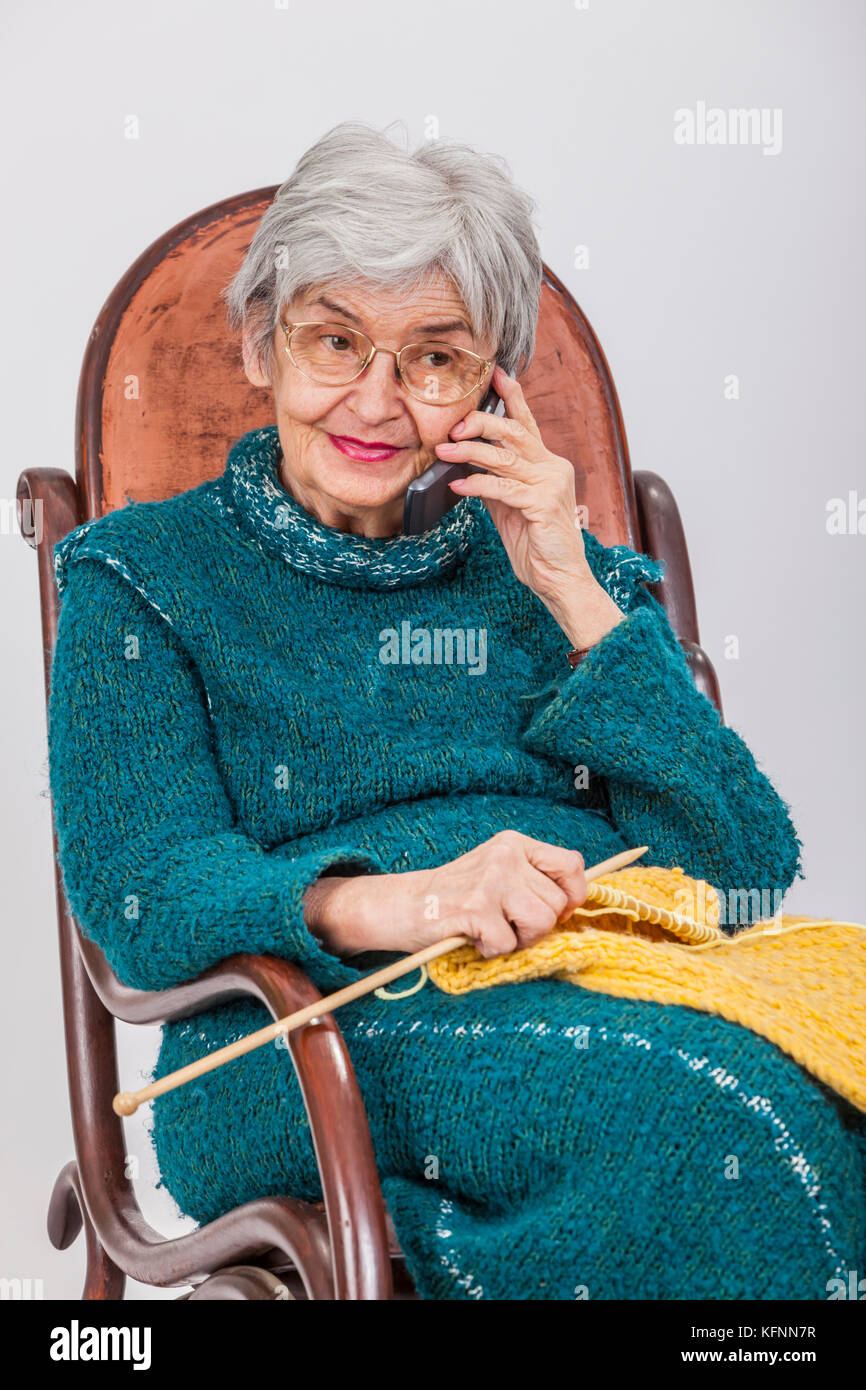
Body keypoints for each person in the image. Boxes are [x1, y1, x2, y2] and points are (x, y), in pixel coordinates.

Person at [47, 121, 864, 1300]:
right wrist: (423, 898)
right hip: (289, 1029)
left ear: (489, 383)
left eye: (433, 358)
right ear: (260, 346)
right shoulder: (139, 577)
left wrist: (572, 585)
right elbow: (143, 894)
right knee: (711, 1125)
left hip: (601, 982)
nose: (376, 402)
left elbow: (741, 868)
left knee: (784, 1092)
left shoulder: (548, 565)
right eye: (335, 341)